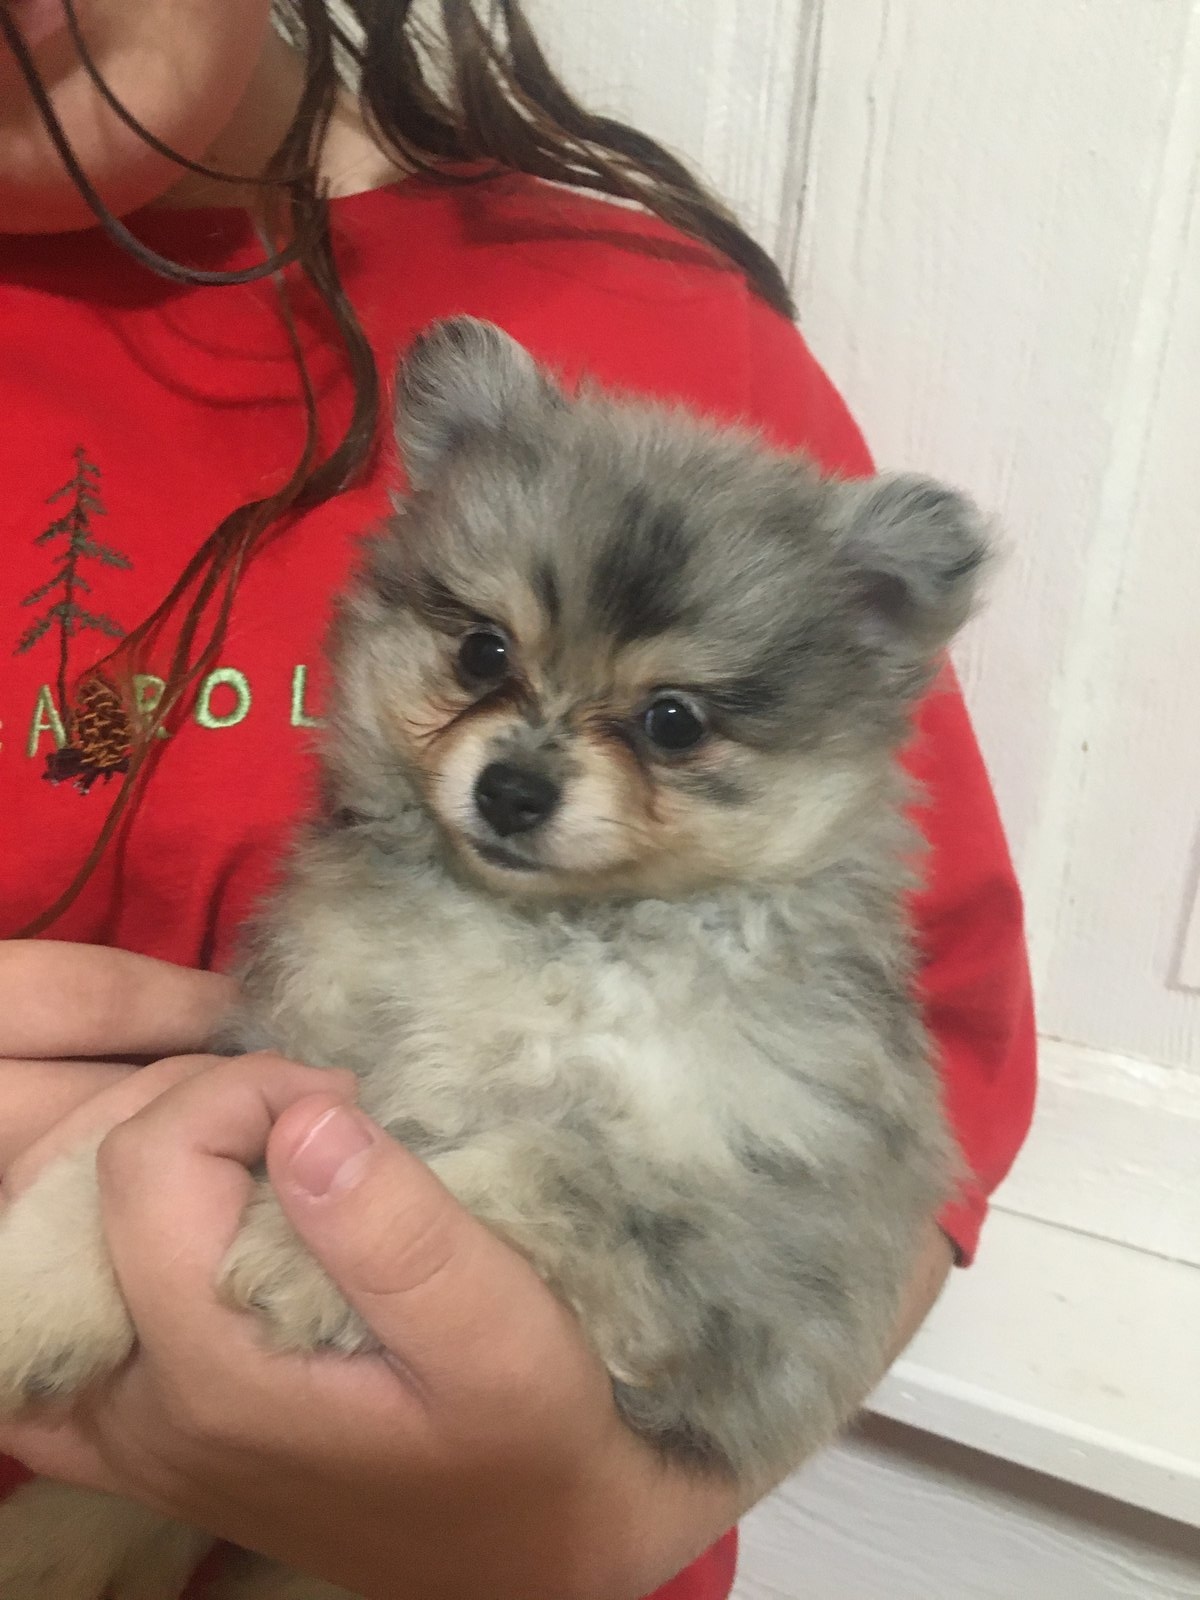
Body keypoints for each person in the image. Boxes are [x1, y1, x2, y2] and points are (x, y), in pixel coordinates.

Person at [0, 2, 1037, 1596]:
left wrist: (586, 1527)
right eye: (483, 657)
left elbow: (911, 1131)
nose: (528, 758)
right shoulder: (358, 887)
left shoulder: (661, 319)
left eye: (668, 723)